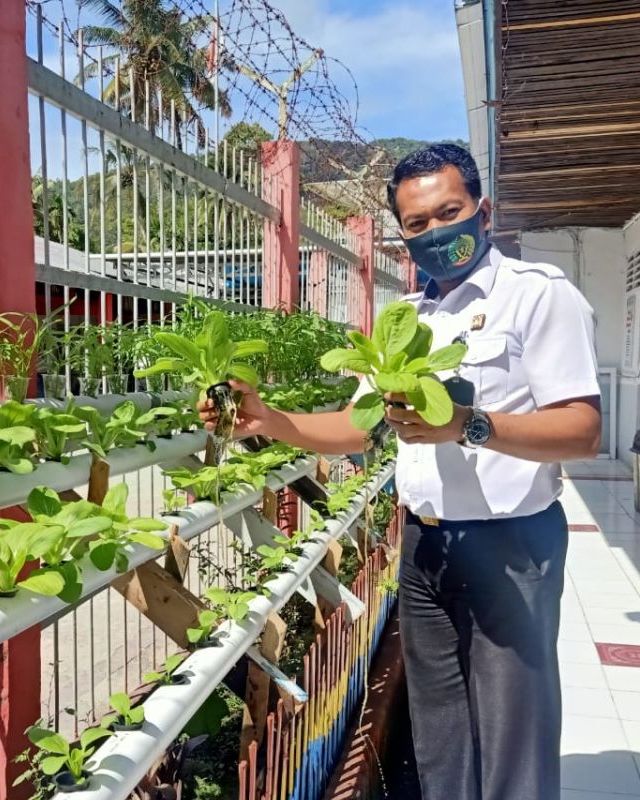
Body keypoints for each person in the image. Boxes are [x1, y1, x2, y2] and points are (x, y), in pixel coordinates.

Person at [198, 143, 601, 800]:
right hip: (425, 549)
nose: (437, 232)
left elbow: (582, 431)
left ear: (483, 210)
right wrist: (266, 418)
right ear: (402, 234)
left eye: (450, 212)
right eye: (418, 224)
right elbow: (358, 425)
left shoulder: (538, 298)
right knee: (440, 736)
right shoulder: (406, 320)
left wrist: (468, 425)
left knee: (512, 747)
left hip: (512, 546)